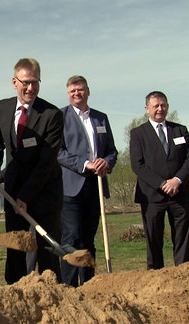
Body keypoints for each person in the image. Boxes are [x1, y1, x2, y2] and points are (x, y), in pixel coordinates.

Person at [0, 58, 63, 284]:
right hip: (14, 189)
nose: (30, 88)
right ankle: (15, 297)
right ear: (14, 82)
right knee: (15, 248)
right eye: (26, 82)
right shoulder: (3, 107)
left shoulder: (52, 115)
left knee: (47, 252)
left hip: (45, 191)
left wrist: (26, 198)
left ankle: (53, 300)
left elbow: (46, 163)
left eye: (35, 82)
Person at [57, 75, 117, 286]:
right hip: (70, 188)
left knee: (88, 239)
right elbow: (58, 152)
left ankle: (89, 284)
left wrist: (105, 163)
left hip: (95, 186)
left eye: (80, 90)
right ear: (68, 94)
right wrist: (85, 164)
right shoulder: (60, 116)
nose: (77, 94)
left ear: (88, 91)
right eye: (72, 91)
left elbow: (112, 151)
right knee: (71, 238)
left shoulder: (101, 118)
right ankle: (69, 286)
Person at [130, 91, 189, 270]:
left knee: (182, 239)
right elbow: (137, 165)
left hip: (180, 194)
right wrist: (162, 184)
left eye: (163, 105)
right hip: (152, 196)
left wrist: (176, 180)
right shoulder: (138, 133)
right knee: (154, 240)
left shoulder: (180, 130)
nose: (160, 109)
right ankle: (155, 276)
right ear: (147, 109)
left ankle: (183, 274)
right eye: (156, 106)